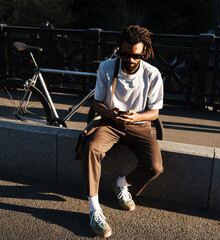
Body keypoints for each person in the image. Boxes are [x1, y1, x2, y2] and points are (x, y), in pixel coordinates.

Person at [81, 25, 164, 238]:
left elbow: (154, 112)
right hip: (110, 124)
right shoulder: (107, 68)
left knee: (155, 167)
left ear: (143, 52)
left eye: (135, 55)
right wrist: (109, 113)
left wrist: (136, 117)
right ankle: (94, 209)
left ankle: (121, 184)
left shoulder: (152, 74)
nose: (130, 59)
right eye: (125, 54)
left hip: (139, 126)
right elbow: (96, 103)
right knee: (91, 148)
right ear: (119, 49)